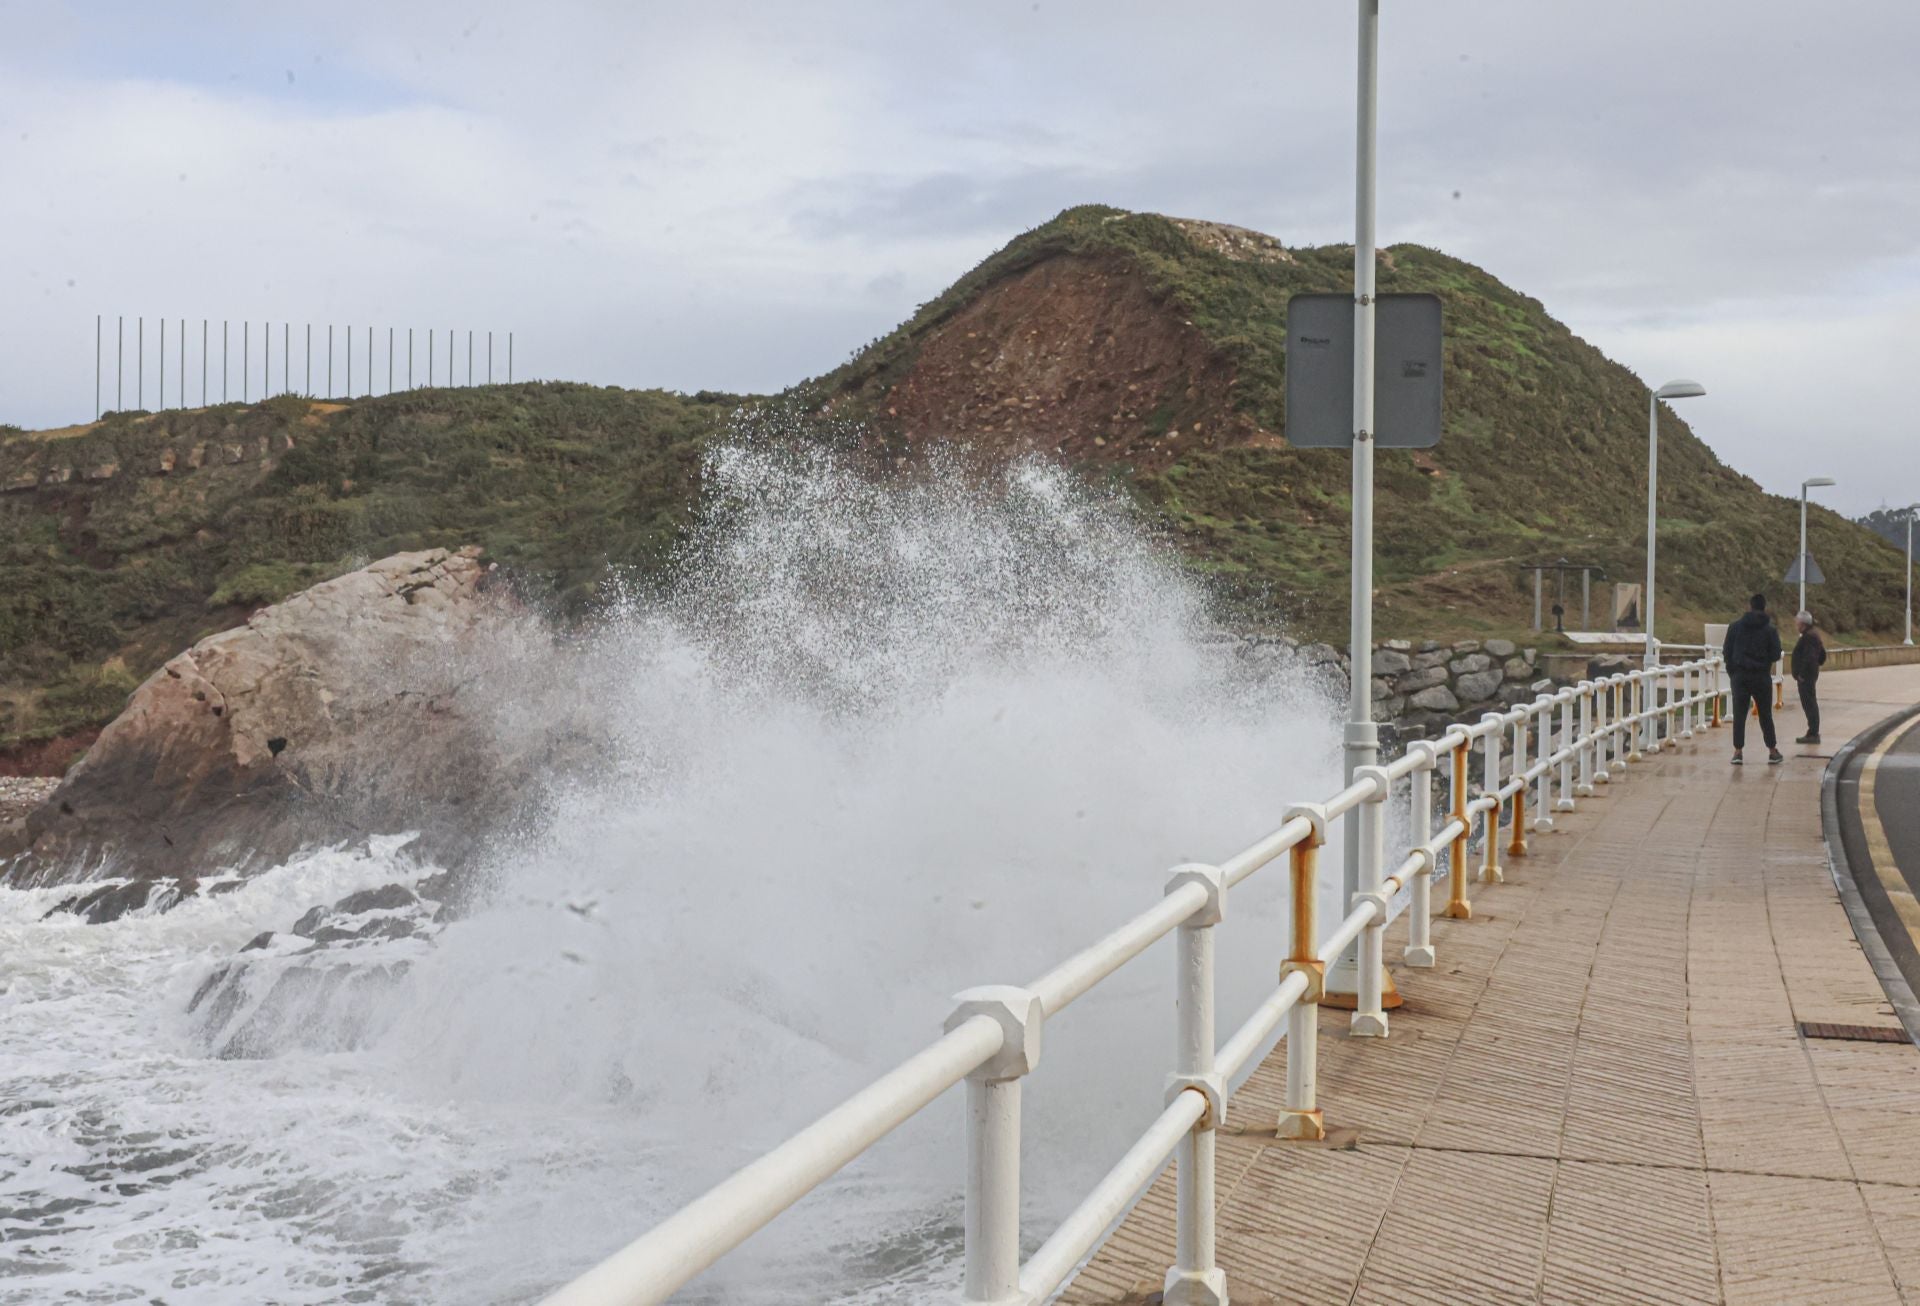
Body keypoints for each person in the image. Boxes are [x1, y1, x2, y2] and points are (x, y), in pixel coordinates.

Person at [1722, 593, 1783, 765]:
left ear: (1749, 606)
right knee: (1765, 715)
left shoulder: (1735, 627)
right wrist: (1764, 663)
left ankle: (1738, 751)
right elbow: (1776, 653)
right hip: (1761, 677)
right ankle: (1772, 751)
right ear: (1764, 607)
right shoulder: (1770, 630)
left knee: (1739, 714)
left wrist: (1733, 672)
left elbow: (1727, 652)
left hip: (1740, 676)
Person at [1792, 610, 1827, 745]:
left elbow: (1810, 657)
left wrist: (1801, 673)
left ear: (1803, 624)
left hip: (1806, 677)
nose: (1796, 625)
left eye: (1798, 623)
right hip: (1809, 675)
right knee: (1809, 702)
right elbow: (1822, 655)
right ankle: (1812, 731)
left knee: (1809, 703)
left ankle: (1813, 733)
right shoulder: (1813, 635)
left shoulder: (1809, 637)